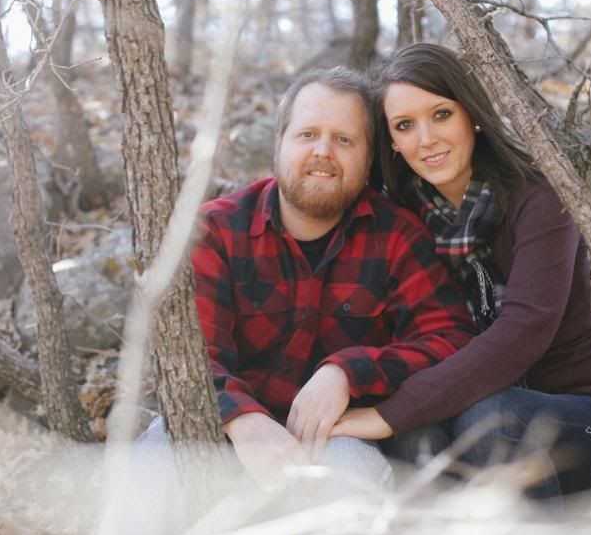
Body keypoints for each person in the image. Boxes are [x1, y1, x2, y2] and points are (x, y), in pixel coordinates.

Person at [140, 67, 476, 492]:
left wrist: (347, 372)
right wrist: (244, 419)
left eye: (344, 140)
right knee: (153, 463)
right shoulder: (215, 230)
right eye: (307, 135)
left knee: (349, 474)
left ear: (369, 160)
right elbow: (186, 355)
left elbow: (450, 339)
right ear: (278, 144)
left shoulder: (396, 236)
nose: (323, 151)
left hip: (337, 441)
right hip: (221, 431)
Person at [331, 43, 591, 499]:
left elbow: (526, 330)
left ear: (471, 113)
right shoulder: (398, 217)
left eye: (441, 114)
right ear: (391, 140)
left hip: (578, 423)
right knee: (416, 438)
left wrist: (392, 412)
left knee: (488, 415)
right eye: (405, 125)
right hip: (460, 419)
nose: (426, 139)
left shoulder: (539, 198)